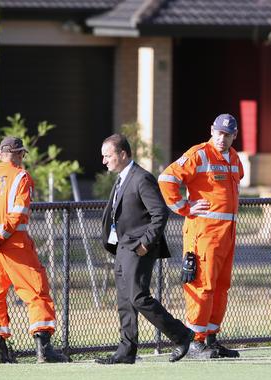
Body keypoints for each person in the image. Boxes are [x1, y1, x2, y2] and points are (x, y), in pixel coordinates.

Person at [0, 136, 69, 363]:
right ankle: (44, 351)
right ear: (20, 154)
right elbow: (18, 212)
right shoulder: (21, 177)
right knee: (36, 291)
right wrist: (0, 237)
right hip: (15, 245)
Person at [98, 134, 194, 364]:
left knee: (139, 297)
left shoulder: (141, 178)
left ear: (122, 154)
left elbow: (160, 213)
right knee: (125, 300)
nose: (104, 161)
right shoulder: (122, 178)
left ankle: (181, 335)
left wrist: (145, 243)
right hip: (122, 247)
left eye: (107, 156)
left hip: (138, 248)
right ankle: (126, 351)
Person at [158, 114, 243, 359]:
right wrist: (184, 207)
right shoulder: (199, 154)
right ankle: (195, 341)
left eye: (227, 134)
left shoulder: (234, 158)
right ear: (211, 130)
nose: (222, 138)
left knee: (221, 287)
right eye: (218, 133)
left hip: (227, 234)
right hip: (204, 233)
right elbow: (166, 179)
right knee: (203, 286)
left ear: (234, 135)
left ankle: (211, 338)